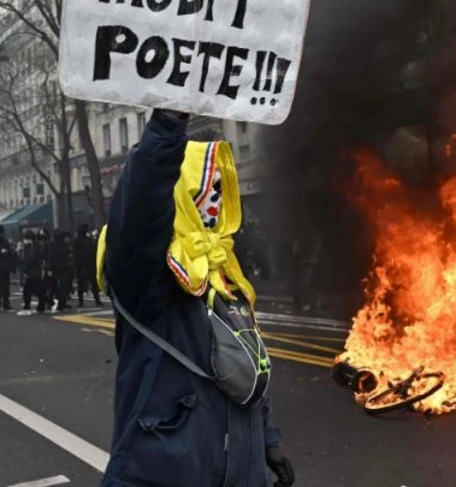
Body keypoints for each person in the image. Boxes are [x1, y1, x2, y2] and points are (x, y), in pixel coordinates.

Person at [101, 110, 293, 486]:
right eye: (204, 189)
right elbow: (143, 204)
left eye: (220, 189)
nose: (214, 203)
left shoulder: (224, 274)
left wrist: (267, 440)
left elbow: (245, 366)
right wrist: (168, 124)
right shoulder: (147, 274)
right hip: (168, 472)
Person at [74, 225, 102, 308]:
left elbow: (76, 255)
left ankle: (81, 302)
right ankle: (97, 301)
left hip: (83, 266)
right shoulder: (89, 240)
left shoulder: (76, 241)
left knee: (82, 285)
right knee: (93, 285)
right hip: (89, 265)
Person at [22, 230, 50, 313]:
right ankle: (43, 302)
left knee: (31, 289)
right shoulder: (35, 245)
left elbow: (30, 259)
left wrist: (25, 269)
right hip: (35, 271)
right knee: (33, 289)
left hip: (33, 271)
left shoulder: (33, 246)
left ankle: (43, 302)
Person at [50, 230, 74, 312]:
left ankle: (57, 302)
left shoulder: (52, 244)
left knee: (56, 286)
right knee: (62, 286)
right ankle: (62, 302)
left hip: (56, 268)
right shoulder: (64, 245)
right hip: (63, 267)